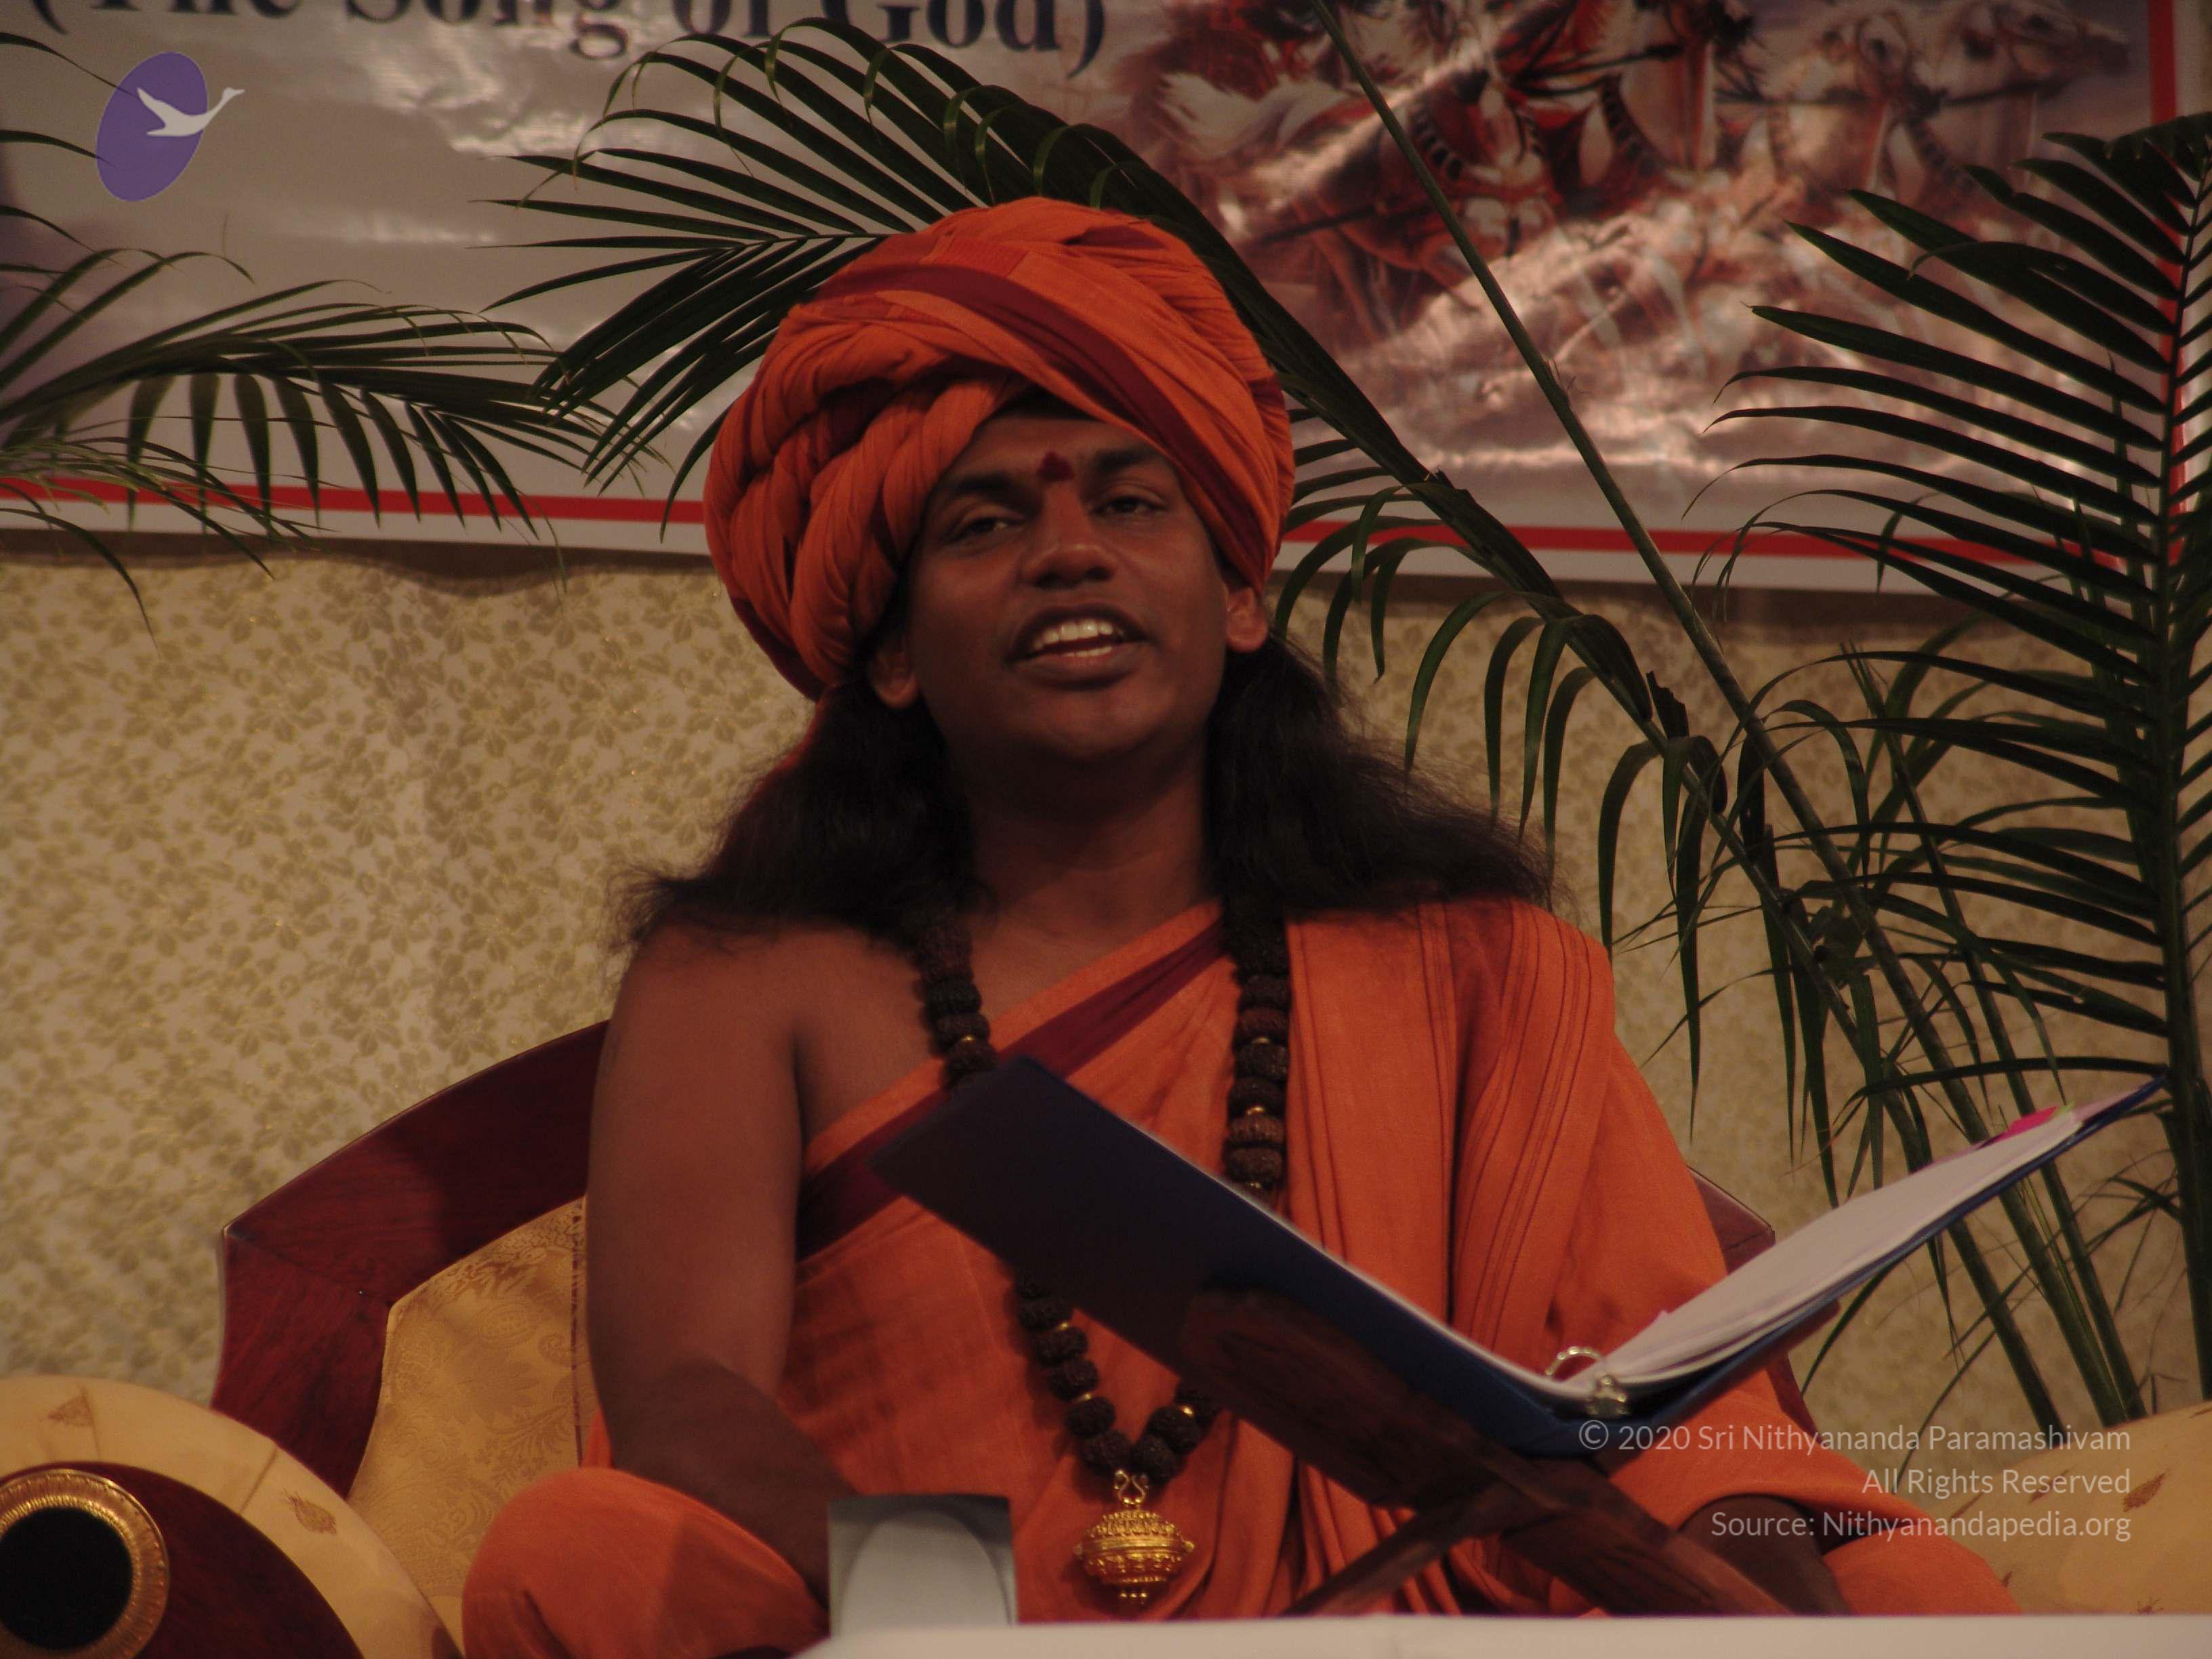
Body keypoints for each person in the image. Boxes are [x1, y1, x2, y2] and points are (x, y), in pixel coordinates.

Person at [462, 199, 2013, 1656]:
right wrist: (958, 1624)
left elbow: (1673, 1396)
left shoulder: (1468, 963)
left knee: (1914, 1590)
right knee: (581, 1549)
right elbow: (686, 1401)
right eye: (983, 524)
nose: (1069, 551)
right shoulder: (753, 973)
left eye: (1131, 503)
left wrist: (1769, 1619)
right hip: (925, 1629)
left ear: (1242, 597)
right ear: (892, 656)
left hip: (1407, 1629)